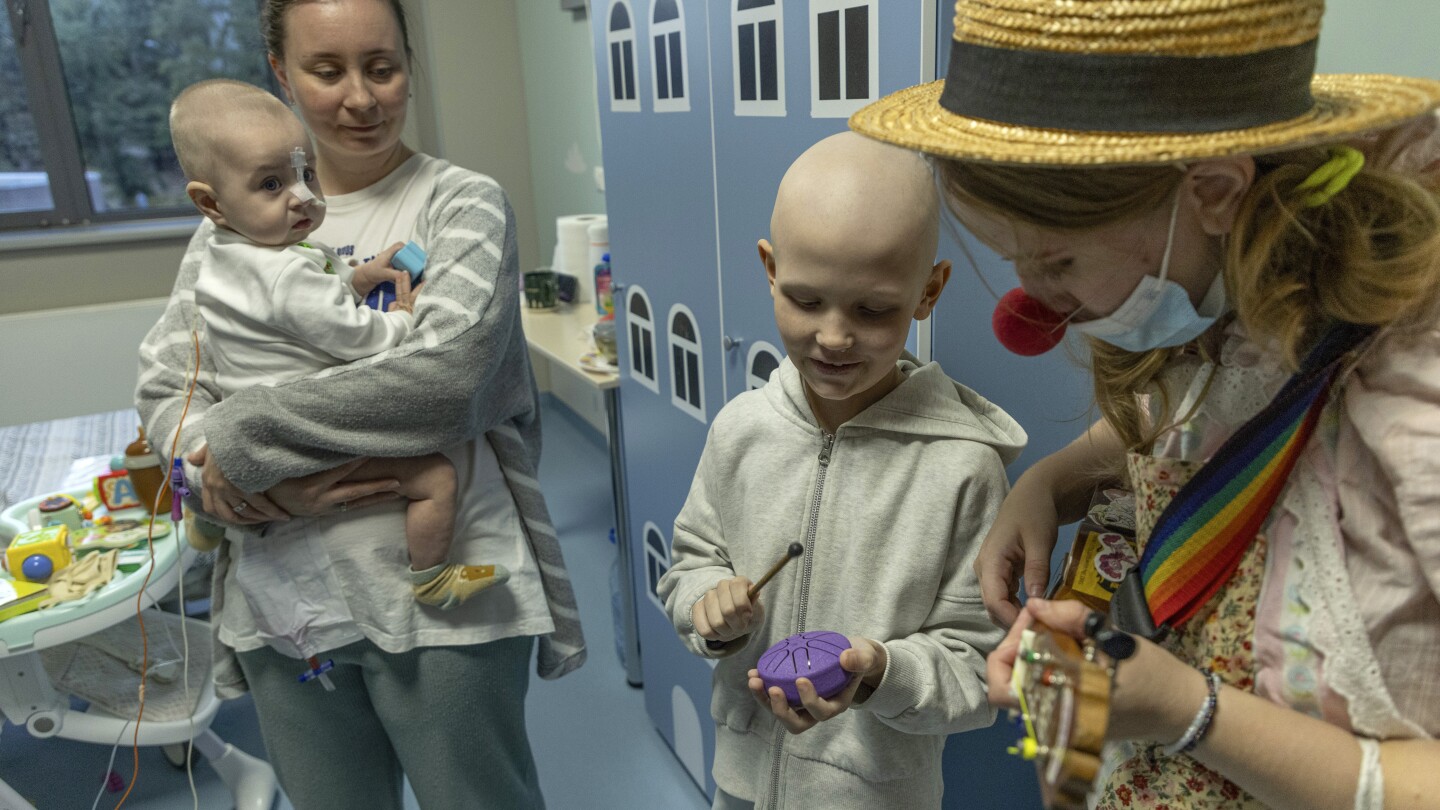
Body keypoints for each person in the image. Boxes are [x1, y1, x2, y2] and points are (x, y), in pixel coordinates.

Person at [850, 0, 1440, 807]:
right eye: (1015, 259)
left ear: (1214, 190)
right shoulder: (1234, 289)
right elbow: (1218, 427)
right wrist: (1049, 483)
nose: (1037, 300)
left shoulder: (1415, 401)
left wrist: (1186, 711)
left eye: (1057, 258)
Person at [136, 1, 584, 807]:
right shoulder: (224, 233)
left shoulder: (460, 205)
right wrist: (215, 478)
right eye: (327, 70)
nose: (361, 97)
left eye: (382, 67)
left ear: (411, 63)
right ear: (280, 73)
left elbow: (444, 383)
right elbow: (168, 384)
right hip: (285, 606)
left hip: (445, 619)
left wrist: (241, 437)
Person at [657, 131, 1027, 810]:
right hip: (739, 781)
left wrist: (880, 673)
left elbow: (979, 668)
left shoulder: (963, 470)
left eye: (873, 309)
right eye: (805, 300)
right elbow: (689, 565)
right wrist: (706, 605)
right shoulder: (739, 432)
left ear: (929, 290)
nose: (833, 336)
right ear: (769, 269)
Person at [169, 78, 509, 613]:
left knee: (208, 479)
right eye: (272, 185)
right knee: (435, 478)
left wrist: (356, 276)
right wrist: (401, 320)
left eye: (305, 174)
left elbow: (297, 303)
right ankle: (434, 579)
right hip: (303, 434)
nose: (303, 195)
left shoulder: (225, 258)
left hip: (243, 429)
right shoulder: (284, 272)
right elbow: (349, 337)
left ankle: (204, 519)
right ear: (210, 202)